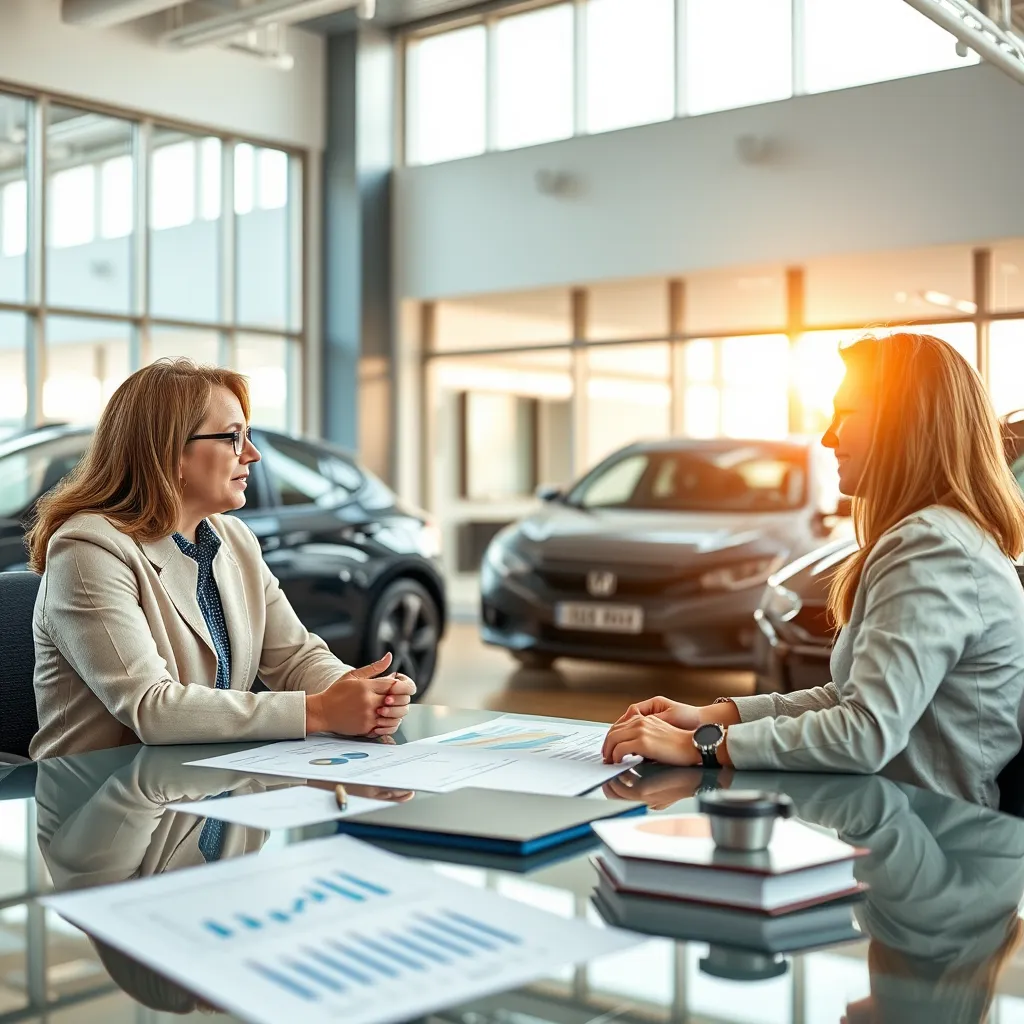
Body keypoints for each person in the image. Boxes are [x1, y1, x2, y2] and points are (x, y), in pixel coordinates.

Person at [602, 332, 1024, 808]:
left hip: (931, 851)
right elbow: (849, 700)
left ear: (903, 424)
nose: (829, 436)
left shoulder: (931, 548)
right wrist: (708, 717)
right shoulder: (942, 538)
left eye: (846, 414)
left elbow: (863, 733)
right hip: (902, 833)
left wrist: (698, 746)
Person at [27, 359, 416, 760]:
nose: (252, 454)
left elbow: (295, 656)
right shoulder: (87, 548)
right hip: (103, 800)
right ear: (171, 452)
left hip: (208, 783)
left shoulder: (233, 539)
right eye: (233, 437)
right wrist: (318, 711)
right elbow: (151, 707)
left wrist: (357, 695)